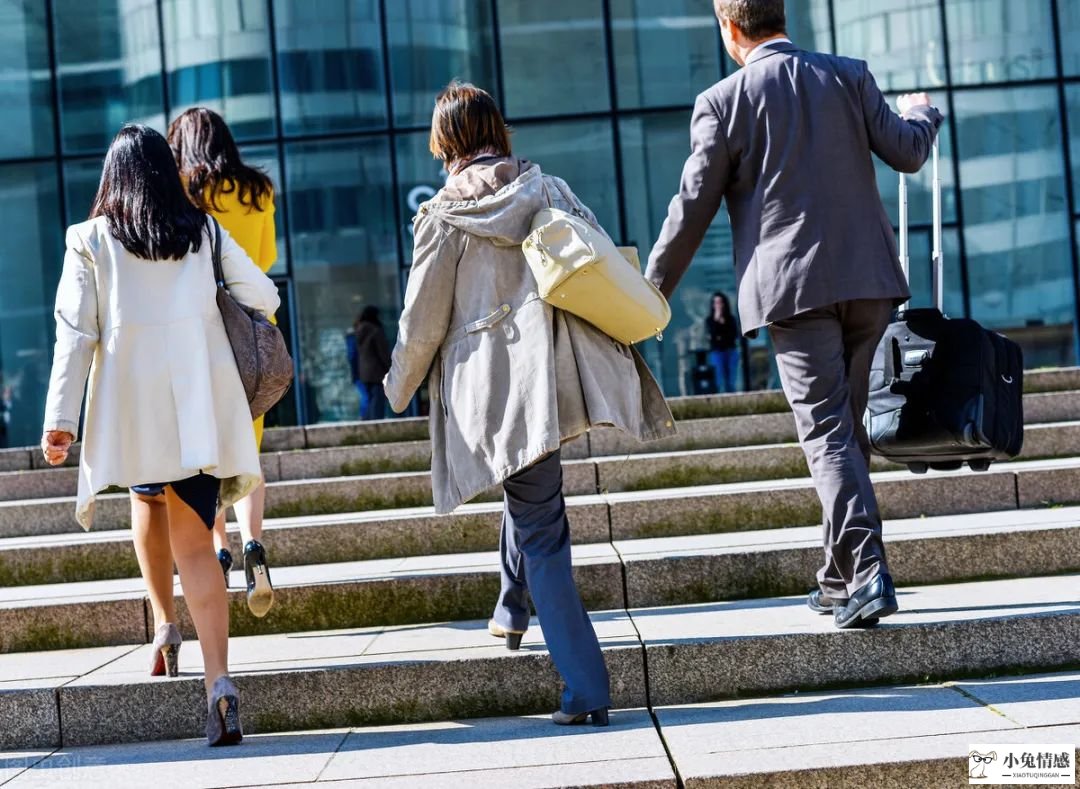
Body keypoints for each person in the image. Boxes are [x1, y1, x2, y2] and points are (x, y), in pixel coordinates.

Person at [384, 81, 675, 726]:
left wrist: (397, 385)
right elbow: (600, 259)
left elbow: (422, 323)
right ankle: (512, 606)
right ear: (497, 131)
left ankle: (586, 687)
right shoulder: (548, 189)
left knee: (541, 524)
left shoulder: (442, 222)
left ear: (444, 143)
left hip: (498, 396)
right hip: (562, 377)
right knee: (532, 494)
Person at [644, 0, 942, 629]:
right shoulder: (848, 73)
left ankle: (865, 574)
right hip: (869, 282)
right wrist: (922, 111)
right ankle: (837, 577)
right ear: (783, 16)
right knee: (848, 434)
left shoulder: (723, 101)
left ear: (729, 28)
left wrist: (652, 291)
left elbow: (691, 207)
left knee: (828, 435)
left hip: (794, 292)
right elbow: (909, 152)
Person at [40, 124, 279, 745]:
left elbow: (75, 333)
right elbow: (264, 294)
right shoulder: (202, 230)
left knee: (144, 498)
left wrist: (60, 421)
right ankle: (220, 687)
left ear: (111, 177)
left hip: (134, 413)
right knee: (198, 547)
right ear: (167, 173)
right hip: (198, 413)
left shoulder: (90, 239)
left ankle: (165, 629)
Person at [167, 108, 278, 618]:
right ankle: (254, 541)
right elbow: (266, 260)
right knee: (248, 446)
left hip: (203, 334)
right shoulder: (258, 189)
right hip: (252, 331)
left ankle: (221, 546)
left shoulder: (184, 191)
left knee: (210, 448)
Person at [346, 306, 391, 421]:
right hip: (377, 372)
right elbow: (383, 353)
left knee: (369, 399)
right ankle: (375, 424)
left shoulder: (356, 332)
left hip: (363, 373)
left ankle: (366, 421)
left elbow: (353, 355)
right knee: (377, 401)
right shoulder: (376, 331)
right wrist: (390, 368)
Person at [705, 292, 739, 393]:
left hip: (730, 350)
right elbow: (712, 336)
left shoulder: (731, 319)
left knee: (731, 380)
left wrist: (721, 333)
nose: (718, 305)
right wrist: (716, 320)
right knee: (719, 379)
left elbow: (733, 335)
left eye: (720, 302)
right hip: (717, 352)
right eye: (715, 303)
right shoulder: (710, 320)